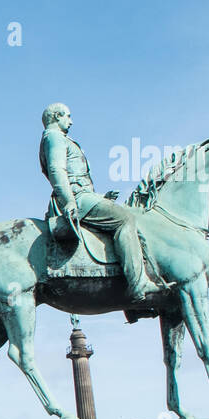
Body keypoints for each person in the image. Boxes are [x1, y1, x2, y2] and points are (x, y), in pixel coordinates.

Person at [40, 103, 169, 303]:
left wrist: (100, 197)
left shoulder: (58, 138)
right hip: (78, 198)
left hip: (84, 195)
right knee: (125, 219)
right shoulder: (54, 137)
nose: (71, 121)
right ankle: (138, 283)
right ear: (57, 116)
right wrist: (69, 202)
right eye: (67, 116)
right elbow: (58, 171)